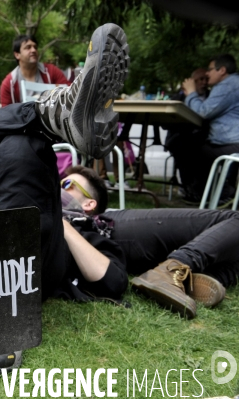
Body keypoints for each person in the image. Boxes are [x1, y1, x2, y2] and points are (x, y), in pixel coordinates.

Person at [0, 22, 130, 370]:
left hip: (28, 262)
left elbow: (113, 280)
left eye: (78, 189)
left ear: (92, 205)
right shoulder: (10, 83)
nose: (66, 187)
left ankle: (2, 313)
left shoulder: (96, 223)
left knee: (19, 147)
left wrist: (63, 219)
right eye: (65, 183)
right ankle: (52, 114)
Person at [61, 165, 232, 321]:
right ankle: (175, 267)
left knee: (232, 246)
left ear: (89, 203)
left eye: (67, 183)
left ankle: (196, 280)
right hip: (111, 230)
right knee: (234, 219)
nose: (60, 186)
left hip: (107, 235)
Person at [182, 54, 239, 202]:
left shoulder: (227, 86)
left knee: (190, 150)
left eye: (210, 69)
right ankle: (214, 194)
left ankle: (220, 194)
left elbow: (202, 112)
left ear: (222, 70)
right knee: (196, 148)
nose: (207, 73)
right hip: (232, 142)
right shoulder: (233, 84)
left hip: (232, 144)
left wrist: (191, 93)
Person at [165, 68, 210, 203]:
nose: (204, 83)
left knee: (201, 151)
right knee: (183, 148)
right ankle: (189, 188)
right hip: (182, 138)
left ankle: (198, 190)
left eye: (206, 79)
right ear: (191, 82)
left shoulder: (212, 97)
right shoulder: (179, 97)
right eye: (200, 79)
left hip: (203, 139)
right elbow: (167, 122)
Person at [0, 34, 70, 107]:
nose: (33, 50)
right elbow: (5, 114)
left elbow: (70, 92)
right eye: (28, 47)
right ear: (17, 55)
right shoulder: (9, 83)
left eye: (35, 47)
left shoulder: (51, 71)